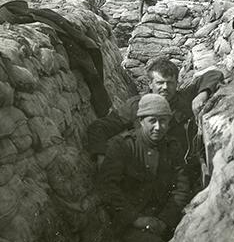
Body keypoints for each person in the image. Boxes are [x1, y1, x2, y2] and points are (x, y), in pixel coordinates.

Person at [97, 94, 190, 242]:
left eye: (163, 121)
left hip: (163, 216)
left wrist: (164, 220)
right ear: (140, 121)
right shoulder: (122, 146)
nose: (158, 127)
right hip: (130, 219)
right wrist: (136, 219)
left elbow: (181, 187)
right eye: (152, 121)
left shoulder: (172, 147)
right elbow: (108, 188)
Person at [87, 58, 223, 183]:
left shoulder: (184, 98)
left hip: (180, 172)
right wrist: (101, 156)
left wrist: (201, 95)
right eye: (160, 82)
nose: (165, 87)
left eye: (170, 83)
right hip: (147, 175)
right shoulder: (136, 105)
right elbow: (99, 127)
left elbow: (214, 74)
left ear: (177, 83)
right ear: (150, 84)